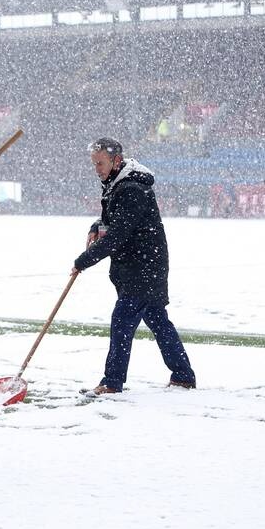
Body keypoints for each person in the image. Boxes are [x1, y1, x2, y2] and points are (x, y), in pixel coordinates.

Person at [72, 137, 197, 395]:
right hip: (140, 266)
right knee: (158, 320)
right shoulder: (117, 184)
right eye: (94, 164)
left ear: (116, 160)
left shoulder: (131, 189)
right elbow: (112, 221)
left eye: (101, 163)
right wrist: (97, 226)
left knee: (122, 321)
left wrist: (83, 261)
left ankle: (112, 382)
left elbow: (117, 235)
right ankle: (183, 375)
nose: (97, 169)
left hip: (143, 267)